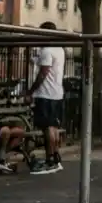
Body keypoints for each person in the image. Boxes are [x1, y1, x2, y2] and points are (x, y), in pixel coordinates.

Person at [26, 21, 66, 175]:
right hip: (57, 93)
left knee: (48, 127)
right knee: (53, 126)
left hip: (46, 93)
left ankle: (50, 157)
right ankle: (55, 156)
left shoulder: (47, 50)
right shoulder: (59, 50)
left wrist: (30, 91)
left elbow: (44, 72)